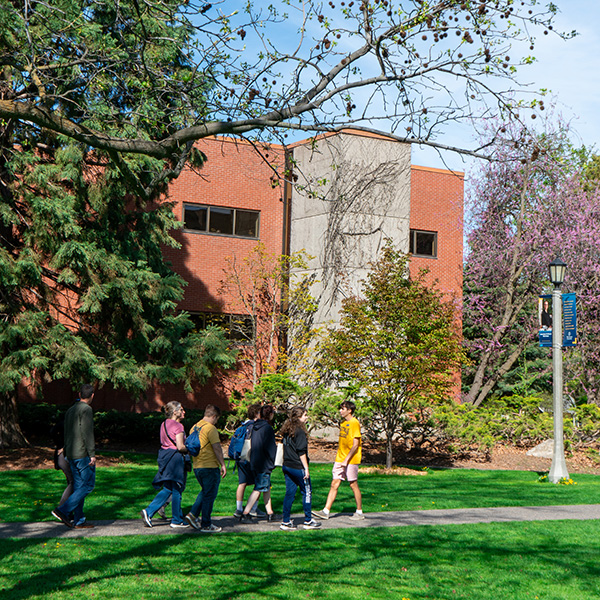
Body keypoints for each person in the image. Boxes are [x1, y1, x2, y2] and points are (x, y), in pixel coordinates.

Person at [51, 384, 96, 529]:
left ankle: (79, 520)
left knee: (78, 487)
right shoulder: (86, 410)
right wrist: (92, 454)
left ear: (79, 394)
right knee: (88, 485)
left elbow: (67, 432)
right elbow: (87, 433)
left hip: (70, 453)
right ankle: (63, 510)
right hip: (82, 453)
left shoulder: (71, 410)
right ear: (92, 396)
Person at [141, 401, 189, 529]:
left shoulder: (164, 424)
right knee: (177, 489)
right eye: (182, 410)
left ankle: (149, 511)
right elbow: (180, 446)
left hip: (165, 457)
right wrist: (189, 448)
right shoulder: (179, 426)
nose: (184, 412)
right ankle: (176, 520)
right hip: (175, 459)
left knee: (168, 488)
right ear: (175, 412)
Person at [312, 400, 364, 521]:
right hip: (340, 458)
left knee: (353, 484)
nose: (340, 411)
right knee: (334, 483)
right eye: (340, 409)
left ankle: (359, 511)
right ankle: (326, 511)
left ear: (349, 410)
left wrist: (346, 460)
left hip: (351, 460)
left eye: (343, 409)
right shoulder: (343, 424)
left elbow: (355, 445)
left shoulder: (354, 423)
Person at [185, 404, 227, 533]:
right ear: (214, 416)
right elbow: (217, 448)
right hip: (209, 466)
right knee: (210, 495)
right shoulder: (210, 428)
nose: (216, 421)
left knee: (205, 492)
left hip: (198, 465)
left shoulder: (194, 427)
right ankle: (206, 524)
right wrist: (223, 464)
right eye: (217, 418)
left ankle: (192, 515)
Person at [279, 406, 321, 531]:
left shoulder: (287, 430)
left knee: (289, 493)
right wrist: (306, 468)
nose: (307, 417)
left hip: (287, 465)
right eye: (305, 415)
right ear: (298, 417)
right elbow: (301, 452)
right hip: (297, 466)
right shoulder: (300, 432)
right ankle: (308, 520)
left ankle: (285, 521)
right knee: (307, 491)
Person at [237, 404, 278, 523]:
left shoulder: (255, 426)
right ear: (270, 415)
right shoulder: (268, 429)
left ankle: (270, 512)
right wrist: (273, 461)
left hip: (254, 460)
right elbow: (270, 448)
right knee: (259, 488)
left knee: (266, 487)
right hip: (264, 462)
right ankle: (245, 513)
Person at [233, 403, 266, 519]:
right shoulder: (257, 427)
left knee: (242, 483)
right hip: (252, 458)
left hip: (241, 458)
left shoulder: (242, 426)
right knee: (259, 484)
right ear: (257, 414)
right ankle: (253, 508)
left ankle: (239, 509)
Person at [51, 411, 74, 509]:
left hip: (67, 455)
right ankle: (61, 509)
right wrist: (60, 445)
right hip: (63, 456)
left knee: (72, 482)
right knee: (73, 482)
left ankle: (68, 511)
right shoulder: (66, 423)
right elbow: (52, 432)